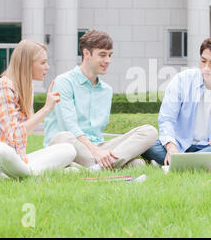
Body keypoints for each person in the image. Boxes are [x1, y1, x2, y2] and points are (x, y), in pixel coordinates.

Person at [43, 29, 158, 170]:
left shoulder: (106, 90)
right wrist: (95, 151)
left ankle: (94, 167)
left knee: (149, 131)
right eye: (102, 55)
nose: (108, 60)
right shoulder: (64, 82)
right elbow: (69, 126)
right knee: (62, 137)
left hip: (98, 147)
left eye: (110, 55)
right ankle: (108, 164)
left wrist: (100, 151)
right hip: (69, 146)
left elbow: (97, 134)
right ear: (86, 54)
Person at [0, 40, 77, 179]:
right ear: (27, 64)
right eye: (43, 63)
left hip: (15, 162)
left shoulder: (26, 91)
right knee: (1, 149)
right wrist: (46, 109)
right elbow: (14, 135)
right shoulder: (2, 86)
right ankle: (35, 175)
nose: (47, 67)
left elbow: (25, 132)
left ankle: (18, 176)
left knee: (68, 149)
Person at [142, 36, 211, 166]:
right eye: (203, 61)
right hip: (178, 145)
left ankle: (183, 161)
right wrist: (171, 147)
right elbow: (167, 119)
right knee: (149, 145)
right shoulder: (181, 80)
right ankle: (202, 161)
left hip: (210, 146)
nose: (206, 68)